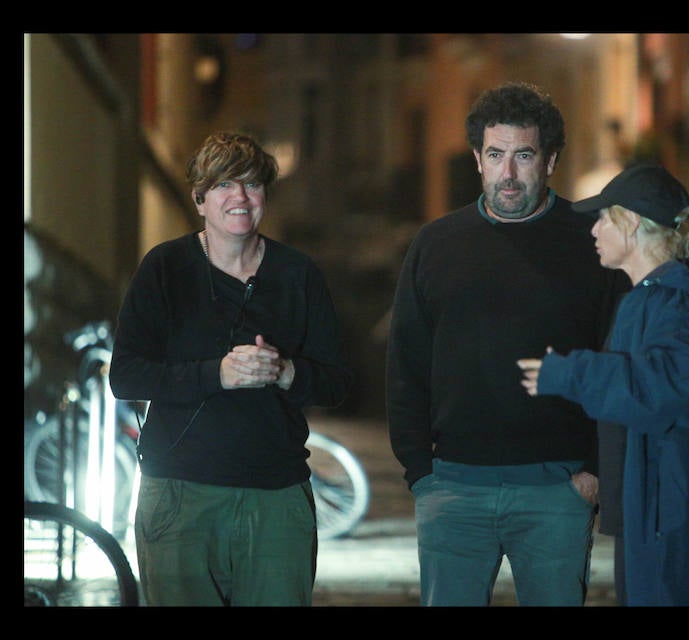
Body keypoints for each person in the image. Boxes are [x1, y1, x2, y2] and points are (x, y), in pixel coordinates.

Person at [386, 81, 629, 606]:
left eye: (524, 155)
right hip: (452, 486)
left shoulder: (591, 241)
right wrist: (420, 472)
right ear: (478, 159)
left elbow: (619, 355)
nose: (509, 173)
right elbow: (406, 362)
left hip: (557, 486)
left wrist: (594, 469)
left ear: (550, 159)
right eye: (496, 155)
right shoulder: (435, 244)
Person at [109, 131, 352, 606]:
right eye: (224, 186)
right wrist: (215, 375)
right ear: (200, 200)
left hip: (275, 495)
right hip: (180, 493)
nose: (239, 197)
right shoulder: (165, 268)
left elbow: (339, 381)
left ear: (264, 197)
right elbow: (127, 376)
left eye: (251, 185)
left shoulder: (297, 274)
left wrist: (286, 373)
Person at [517, 163, 689, 606]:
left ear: (631, 222)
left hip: (677, 529)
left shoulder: (676, 305)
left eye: (603, 218)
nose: (594, 230)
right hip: (658, 518)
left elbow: (678, 386)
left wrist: (573, 373)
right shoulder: (654, 300)